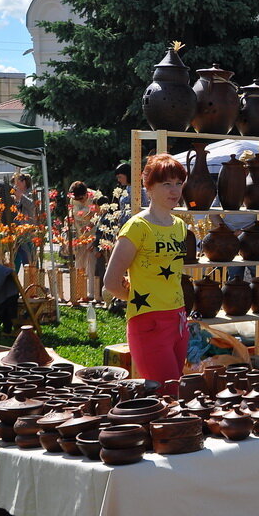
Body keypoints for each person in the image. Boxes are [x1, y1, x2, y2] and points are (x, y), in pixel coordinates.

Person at [103, 154, 190, 387]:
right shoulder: (137, 227)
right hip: (149, 323)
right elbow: (110, 282)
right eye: (166, 184)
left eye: (178, 183)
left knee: (176, 390)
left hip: (179, 319)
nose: (174, 190)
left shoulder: (180, 226)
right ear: (148, 187)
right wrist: (139, 299)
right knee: (167, 392)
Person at [68, 180, 101, 301]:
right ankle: (79, 292)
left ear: (86, 193)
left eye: (81, 198)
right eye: (77, 199)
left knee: (91, 264)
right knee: (79, 264)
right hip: (79, 236)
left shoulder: (96, 197)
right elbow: (72, 216)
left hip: (92, 236)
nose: (80, 201)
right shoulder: (72, 199)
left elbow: (99, 216)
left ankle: (91, 294)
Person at [11, 172, 37, 272]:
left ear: (24, 182)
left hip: (28, 232)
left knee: (29, 259)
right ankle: (14, 282)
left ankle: (33, 279)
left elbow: (33, 206)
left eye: (16, 182)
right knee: (15, 259)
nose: (15, 186)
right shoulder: (15, 195)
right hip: (17, 232)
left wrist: (21, 197)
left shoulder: (31, 194)